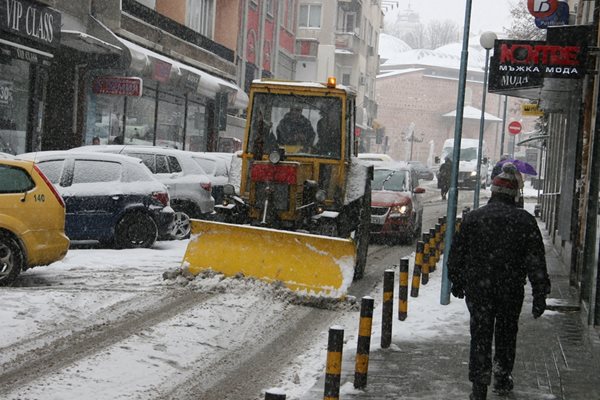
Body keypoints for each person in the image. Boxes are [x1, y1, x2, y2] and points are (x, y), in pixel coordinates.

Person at [447, 162, 551, 400]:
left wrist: (457, 281)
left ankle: (479, 386)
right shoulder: (524, 222)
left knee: (480, 335)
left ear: (493, 192)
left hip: (479, 290)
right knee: (506, 333)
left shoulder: (474, 218)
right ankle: (502, 376)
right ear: (515, 195)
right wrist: (539, 294)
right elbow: (535, 262)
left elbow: (456, 254)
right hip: (510, 290)